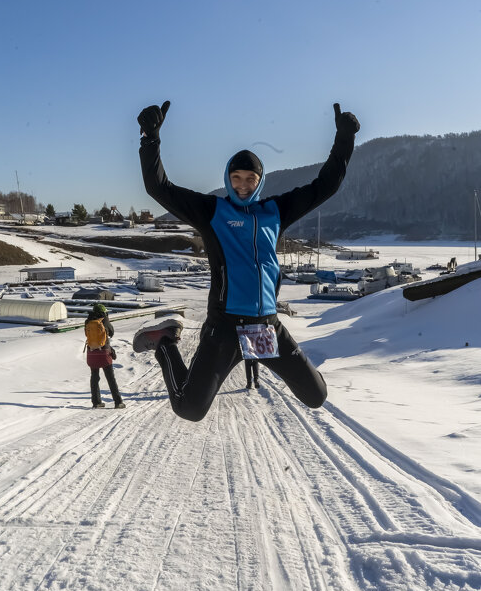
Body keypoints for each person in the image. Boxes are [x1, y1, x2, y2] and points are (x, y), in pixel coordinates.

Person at [132, 100, 360, 422]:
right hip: (224, 328)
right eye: (236, 177)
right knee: (190, 408)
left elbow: (325, 185)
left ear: (260, 180)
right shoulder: (212, 212)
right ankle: (165, 343)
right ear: (227, 177)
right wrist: (149, 138)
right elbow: (159, 187)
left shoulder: (275, 212)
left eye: (250, 178)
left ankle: (175, 343)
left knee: (316, 395)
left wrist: (344, 139)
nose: (242, 185)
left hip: (267, 326)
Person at [85, 302, 125, 409]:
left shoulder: (88, 321)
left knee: (94, 377)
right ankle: (118, 402)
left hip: (92, 352)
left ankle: (96, 402)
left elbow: (86, 334)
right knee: (110, 378)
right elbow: (111, 332)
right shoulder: (105, 321)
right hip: (104, 353)